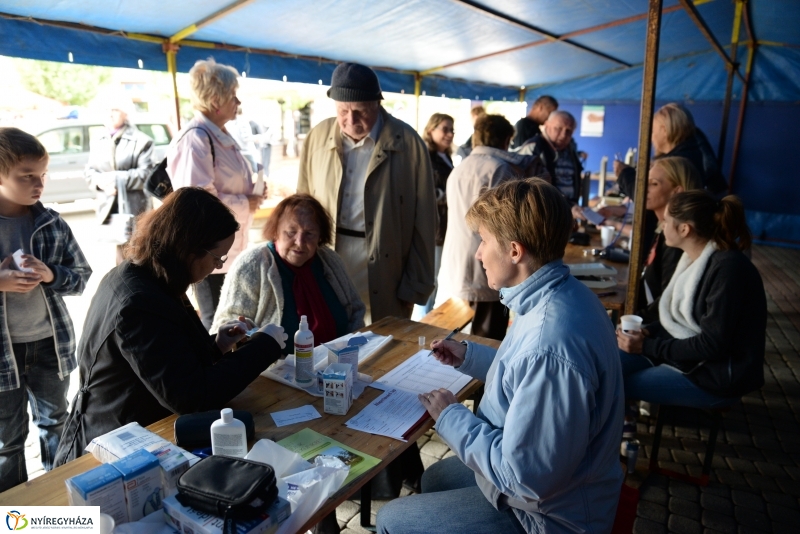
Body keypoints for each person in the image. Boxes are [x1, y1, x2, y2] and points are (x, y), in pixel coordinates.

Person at [377, 178, 624, 534]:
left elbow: (523, 477)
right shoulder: (557, 295)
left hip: (549, 517)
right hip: (559, 485)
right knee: (435, 478)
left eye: (484, 240)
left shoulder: (549, 343)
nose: (478, 253)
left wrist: (450, 416)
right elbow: (527, 379)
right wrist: (469, 356)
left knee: (391, 520)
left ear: (514, 251)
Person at [54, 188, 287, 465]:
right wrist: (265, 345)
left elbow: (167, 363)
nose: (216, 267)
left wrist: (217, 346)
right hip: (110, 447)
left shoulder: (148, 276)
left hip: (133, 429)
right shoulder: (139, 303)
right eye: (217, 258)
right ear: (189, 248)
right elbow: (193, 397)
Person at [297, 62, 436, 324]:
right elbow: (301, 205)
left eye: (360, 111)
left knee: (380, 342)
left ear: (377, 104)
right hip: (327, 254)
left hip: (386, 262)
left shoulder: (408, 143)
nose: (350, 120)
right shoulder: (318, 137)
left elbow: (425, 220)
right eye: (343, 111)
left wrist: (416, 282)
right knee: (329, 330)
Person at [617, 190, 766, 415]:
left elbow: (713, 344)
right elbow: (682, 320)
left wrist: (647, 346)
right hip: (691, 361)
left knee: (614, 385)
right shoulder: (693, 259)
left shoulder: (728, 270)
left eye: (666, 221)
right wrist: (650, 333)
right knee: (604, 367)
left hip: (715, 377)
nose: (661, 226)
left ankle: (610, 443)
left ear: (685, 229)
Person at [0, 128, 91, 491]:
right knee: (7, 442)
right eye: (27, 177)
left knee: (56, 424)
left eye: (42, 176)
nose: (39, 184)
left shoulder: (52, 222)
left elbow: (81, 276)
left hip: (49, 346)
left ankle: (59, 501)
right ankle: (14, 515)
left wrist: (52, 274)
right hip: (2, 356)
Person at [167, 57, 265, 330]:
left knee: (232, 317)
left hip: (228, 248)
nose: (238, 103)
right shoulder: (196, 139)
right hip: (208, 252)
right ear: (214, 99)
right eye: (233, 96)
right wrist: (247, 202)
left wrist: (252, 191)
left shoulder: (219, 134)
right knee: (216, 322)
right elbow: (197, 203)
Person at [212, 194, 366, 355]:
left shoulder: (329, 259)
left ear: (320, 235)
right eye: (291, 232)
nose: (299, 242)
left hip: (339, 364)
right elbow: (224, 327)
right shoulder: (251, 264)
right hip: (276, 371)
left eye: (309, 233)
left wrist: (351, 351)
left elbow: (356, 309)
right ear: (276, 231)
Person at [436, 114, 545, 340]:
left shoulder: (460, 167)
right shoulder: (500, 169)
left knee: (458, 338)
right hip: (486, 261)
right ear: (506, 140)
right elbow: (508, 223)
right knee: (487, 338)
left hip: (456, 258)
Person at [85, 98, 157, 264]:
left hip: (135, 208)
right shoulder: (98, 139)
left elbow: (146, 175)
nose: (110, 114)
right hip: (110, 207)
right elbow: (90, 171)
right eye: (106, 110)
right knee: (122, 256)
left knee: (139, 252)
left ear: (126, 113)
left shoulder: (142, 140)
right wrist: (100, 182)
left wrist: (115, 179)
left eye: (115, 109)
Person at [636, 157, 702, 322]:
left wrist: (633, 320)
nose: (644, 188)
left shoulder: (678, 241)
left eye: (654, 183)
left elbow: (668, 300)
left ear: (677, 192)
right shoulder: (662, 228)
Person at [615, 103, 727, 197]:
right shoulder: (691, 150)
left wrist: (624, 173)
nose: (651, 137)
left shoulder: (679, 161)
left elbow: (646, 197)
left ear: (664, 131)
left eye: (653, 131)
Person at [412, 113, 455, 320]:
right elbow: (422, 191)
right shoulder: (425, 155)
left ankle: (425, 320)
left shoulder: (445, 156)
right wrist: (448, 195)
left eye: (452, 130)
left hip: (445, 226)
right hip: (433, 228)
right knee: (429, 278)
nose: (449, 134)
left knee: (437, 278)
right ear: (431, 130)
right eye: (445, 129)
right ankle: (421, 322)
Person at [517, 110, 585, 221]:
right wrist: (566, 205)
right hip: (541, 215)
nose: (563, 135)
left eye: (569, 131)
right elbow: (526, 186)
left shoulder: (571, 149)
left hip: (567, 212)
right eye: (558, 128)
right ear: (546, 125)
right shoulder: (533, 147)